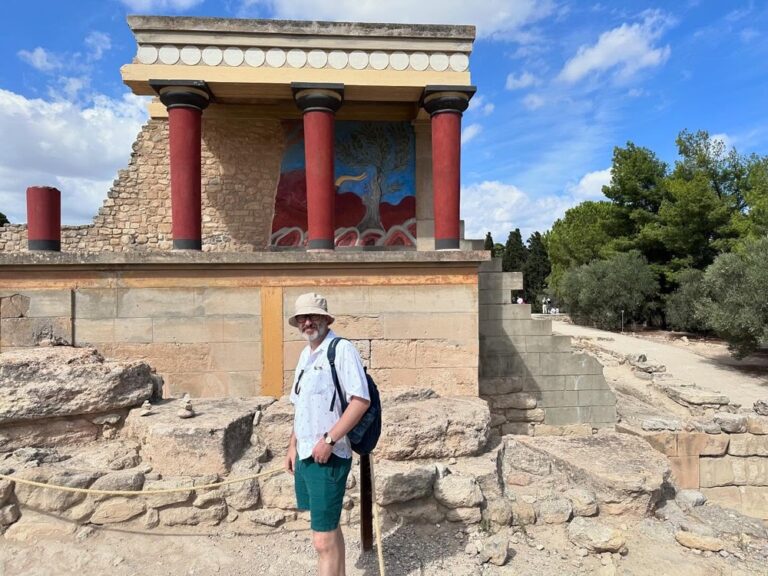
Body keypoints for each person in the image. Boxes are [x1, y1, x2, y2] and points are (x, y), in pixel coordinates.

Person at [285, 292, 371, 576]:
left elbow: (360, 400)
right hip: (306, 453)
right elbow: (301, 405)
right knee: (329, 528)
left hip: (329, 455)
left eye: (313, 316)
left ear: (325, 318)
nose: (307, 322)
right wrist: (292, 447)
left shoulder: (341, 350)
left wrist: (330, 440)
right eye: (302, 318)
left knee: (321, 540)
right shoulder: (305, 354)